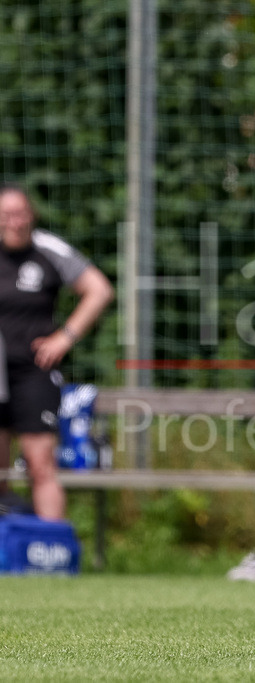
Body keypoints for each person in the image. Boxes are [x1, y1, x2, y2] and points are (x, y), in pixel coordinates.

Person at [0, 184, 114, 520]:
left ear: (31, 214)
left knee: (41, 466)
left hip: (33, 371)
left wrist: (64, 337)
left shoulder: (48, 249)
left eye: (20, 213)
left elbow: (99, 290)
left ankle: (51, 548)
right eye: (6, 215)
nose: (14, 221)